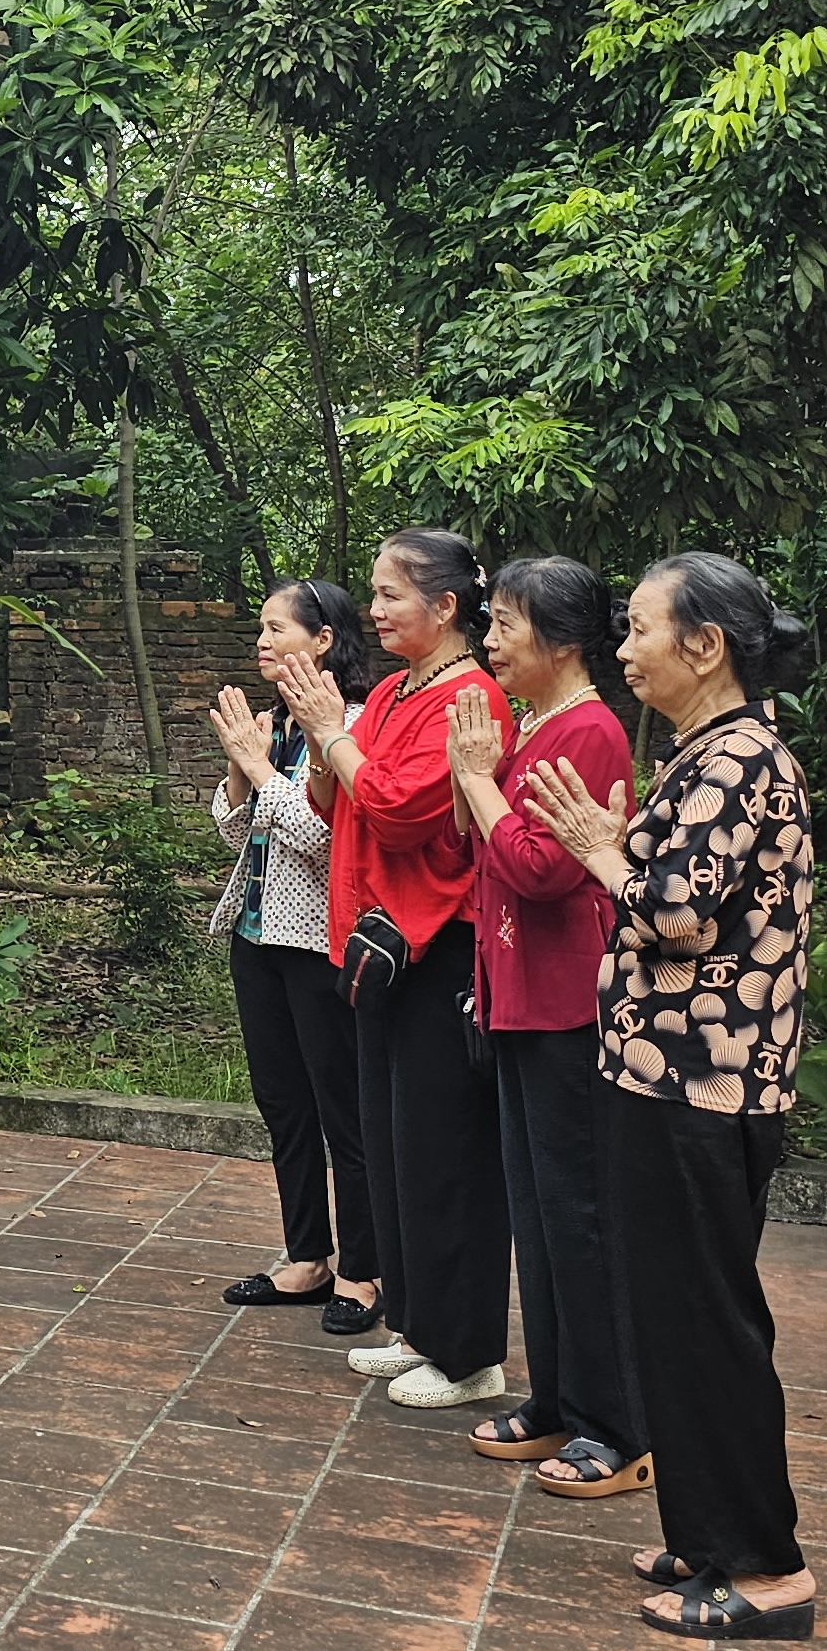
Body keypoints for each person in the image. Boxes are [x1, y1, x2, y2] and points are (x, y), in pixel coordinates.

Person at [522, 550, 823, 1640]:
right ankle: (705, 1531)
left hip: (706, 1087)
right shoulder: (702, 751)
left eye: (641, 628)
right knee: (669, 1314)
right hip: (660, 1079)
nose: (624, 647)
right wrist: (606, 844)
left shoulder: (739, 756)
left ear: (706, 647)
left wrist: (600, 850)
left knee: (707, 1322)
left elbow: (671, 913)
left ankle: (765, 1567)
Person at [267, 527, 510, 1413]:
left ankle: (470, 1351)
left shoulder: (470, 697)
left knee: (444, 1154)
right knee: (396, 1147)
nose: (371, 610)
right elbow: (331, 799)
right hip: (372, 946)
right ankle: (417, 1324)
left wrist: (335, 733)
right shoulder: (399, 692)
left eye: (389, 594)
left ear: (446, 608)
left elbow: (402, 812)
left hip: (433, 945)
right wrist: (324, 732)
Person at [445, 553, 646, 1499]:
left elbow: (542, 869)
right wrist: (471, 778)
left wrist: (481, 782)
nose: (490, 643)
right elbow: (479, 849)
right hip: (518, 997)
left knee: (579, 1218)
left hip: (571, 1008)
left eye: (506, 625)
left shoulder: (594, 732)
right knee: (537, 1215)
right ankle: (559, 1399)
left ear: (561, 639)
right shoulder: (537, 727)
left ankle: (617, 1424)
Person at [204, 579, 386, 1336]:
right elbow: (233, 828)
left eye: (278, 629)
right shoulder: (275, 722)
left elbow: (321, 839)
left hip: (320, 943)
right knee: (283, 1107)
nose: (263, 642)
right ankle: (306, 1256)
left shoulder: (356, 722)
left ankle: (364, 1271)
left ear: (323, 640)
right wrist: (243, 765)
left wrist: (264, 769)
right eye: (260, 630)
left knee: (344, 1114)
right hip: (256, 939)